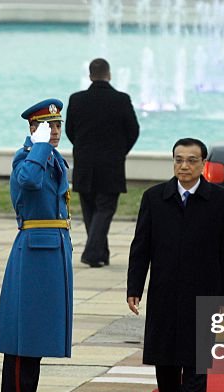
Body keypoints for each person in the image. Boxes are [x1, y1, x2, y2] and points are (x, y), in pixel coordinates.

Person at [126, 137, 224, 392]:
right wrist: (135, 288)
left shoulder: (220, 201)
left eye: (191, 160)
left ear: (203, 164)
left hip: (202, 297)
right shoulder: (154, 198)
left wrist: (222, 300)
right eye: (178, 160)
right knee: (166, 363)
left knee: (195, 365)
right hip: (163, 294)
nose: (184, 166)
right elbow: (141, 247)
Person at [0, 99, 72, 392]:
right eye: (47, 126)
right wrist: (38, 146)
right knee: (23, 333)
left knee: (36, 333)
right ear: (33, 128)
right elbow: (28, 183)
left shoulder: (51, 158)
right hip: (35, 249)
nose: (54, 131)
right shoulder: (28, 157)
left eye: (57, 125)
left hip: (52, 249)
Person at [66, 58, 140, 268]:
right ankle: (93, 253)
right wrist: (120, 151)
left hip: (84, 163)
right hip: (111, 164)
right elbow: (133, 130)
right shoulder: (121, 99)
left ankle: (100, 253)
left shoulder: (76, 99)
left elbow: (70, 131)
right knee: (105, 209)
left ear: (90, 76)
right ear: (109, 75)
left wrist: (83, 149)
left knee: (90, 209)